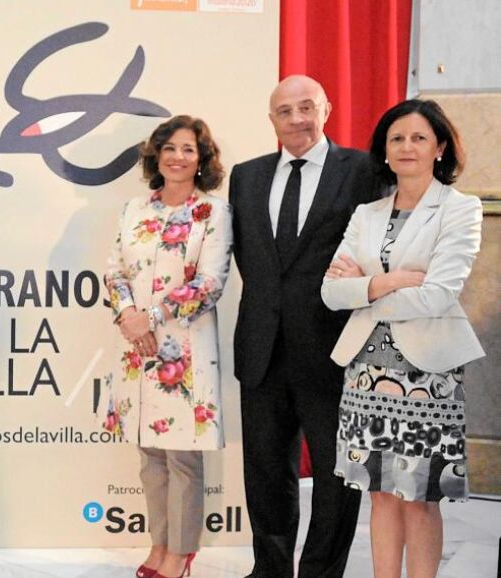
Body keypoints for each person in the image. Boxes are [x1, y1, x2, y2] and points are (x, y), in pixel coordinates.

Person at [322, 98, 482, 578]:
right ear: (384, 151)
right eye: (396, 138)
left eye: (418, 137)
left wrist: (363, 289)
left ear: (440, 147)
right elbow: (330, 292)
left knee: (419, 499)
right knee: (380, 495)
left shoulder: (459, 209)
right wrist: (389, 282)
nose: (406, 146)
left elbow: (437, 295)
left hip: (426, 378)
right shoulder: (367, 213)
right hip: (365, 375)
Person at [228, 75, 379, 578]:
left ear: (326, 109)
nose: (297, 119)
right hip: (261, 349)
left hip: (334, 349)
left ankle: (320, 573)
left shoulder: (362, 170)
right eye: (285, 111)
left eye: (307, 107)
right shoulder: (246, 176)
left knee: (338, 475)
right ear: (271, 120)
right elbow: (252, 258)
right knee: (266, 471)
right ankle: (269, 570)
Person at [102, 115, 232, 578]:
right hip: (137, 348)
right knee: (150, 456)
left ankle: (181, 553)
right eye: (170, 148)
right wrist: (127, 316)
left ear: (202, 160)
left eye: (188, 149)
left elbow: (210, 282)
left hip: (185, 350)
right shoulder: (134, 208)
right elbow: (114, 271)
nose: (178, 157)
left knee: (182, 457)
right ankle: (158, 545)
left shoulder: (213, 212)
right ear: (156, 155)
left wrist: (151, 317)